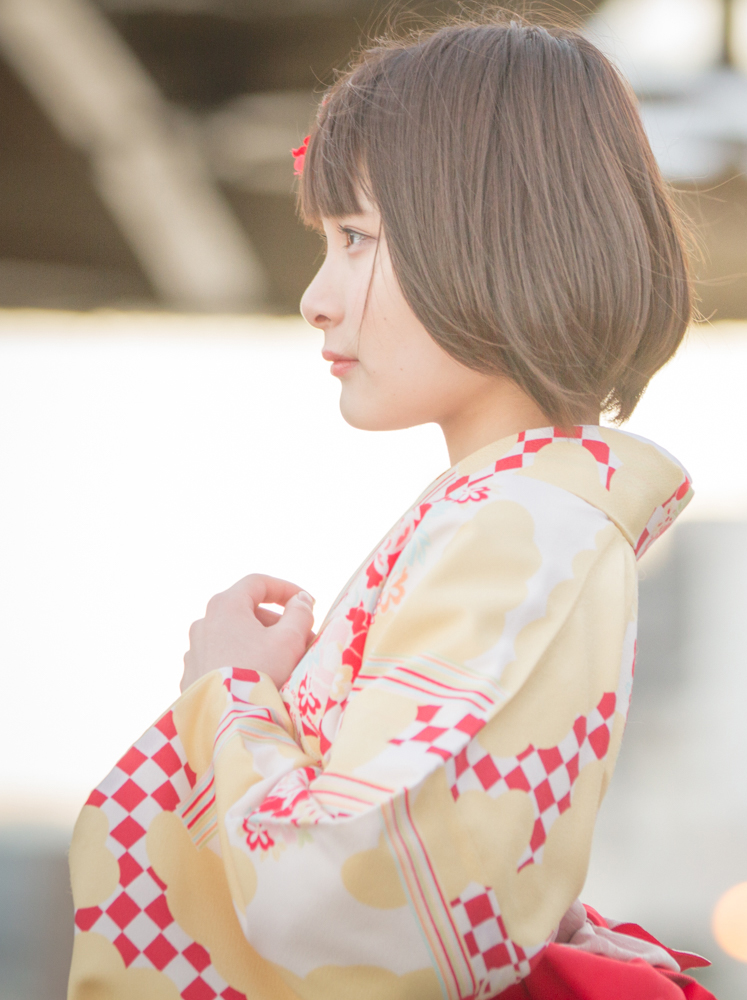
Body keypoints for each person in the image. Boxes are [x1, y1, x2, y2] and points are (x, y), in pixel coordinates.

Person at [67, 17, 711, 1000]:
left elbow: (349, 904)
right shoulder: (524, 515)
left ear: (495, 236)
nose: (317, 298)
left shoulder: (520, 526)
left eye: (357, 238)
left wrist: (230, 695)